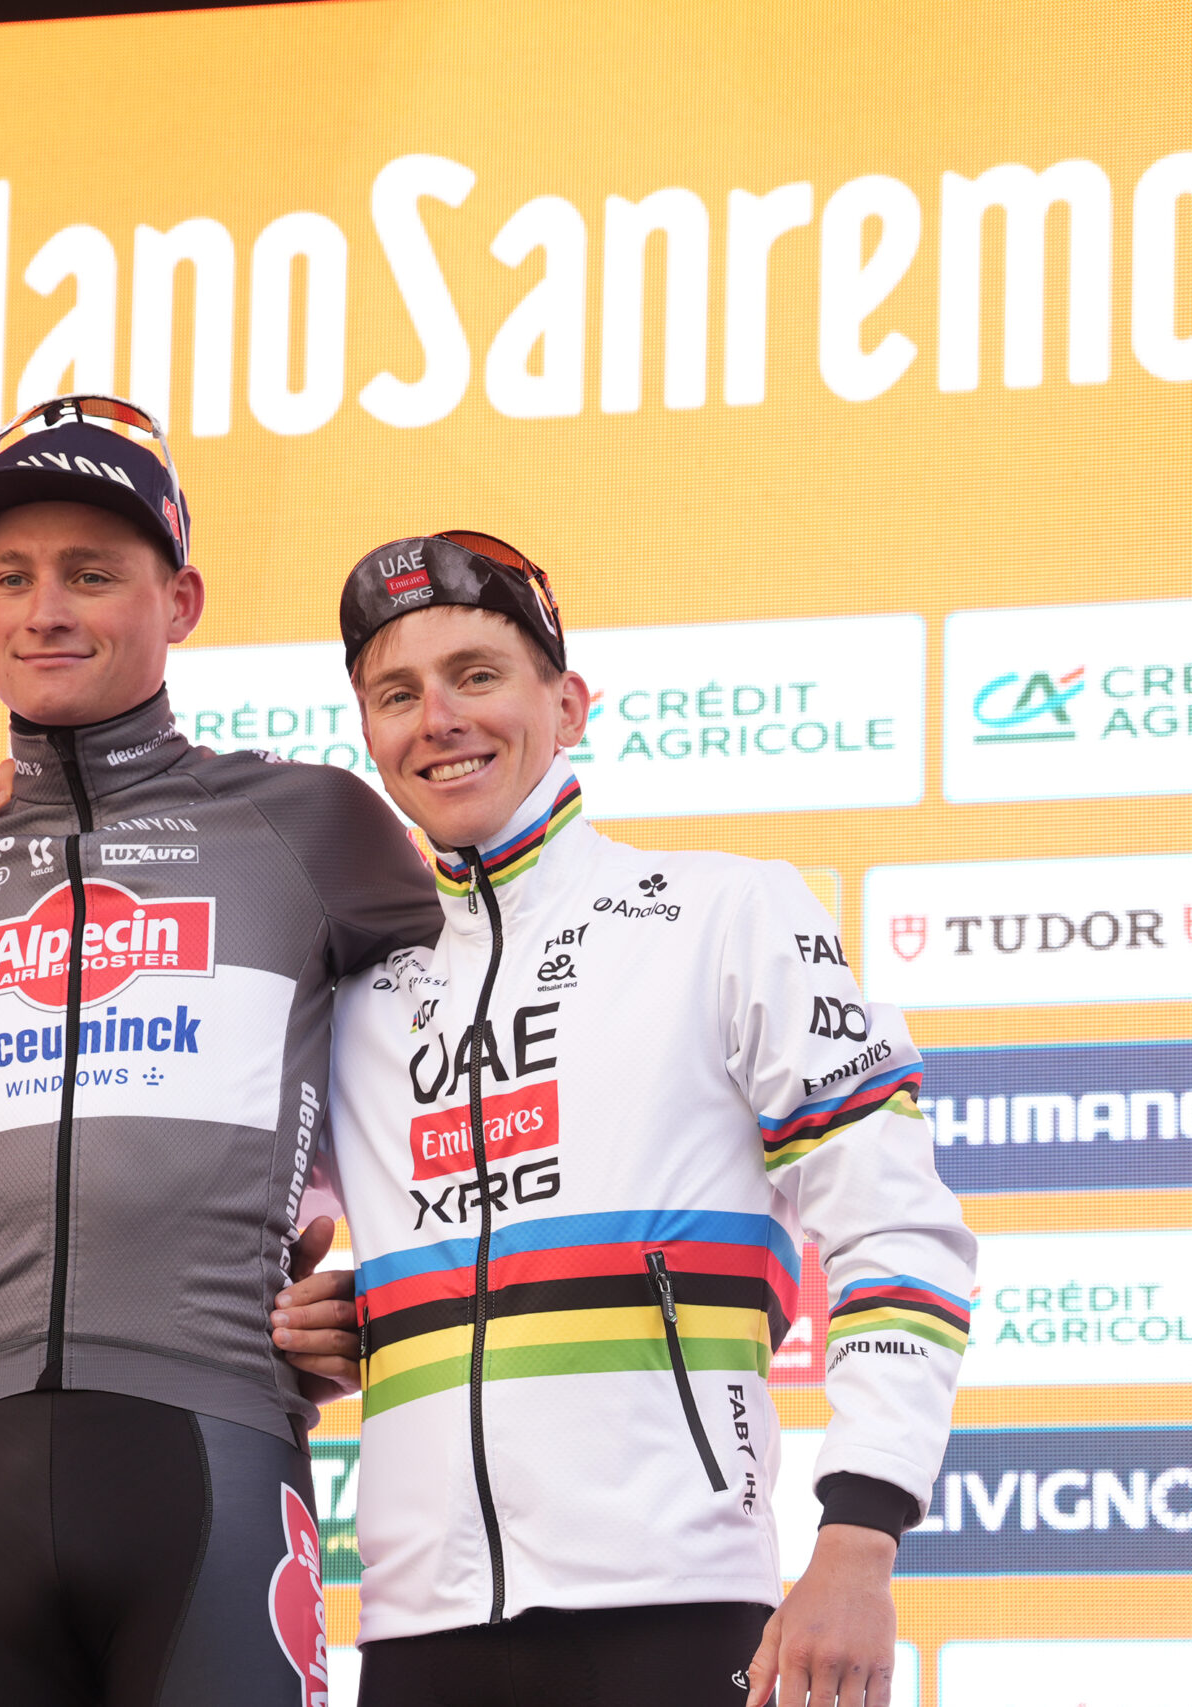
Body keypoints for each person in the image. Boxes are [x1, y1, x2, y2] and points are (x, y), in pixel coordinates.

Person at [0, 394, 441, 1707]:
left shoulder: (311, 824)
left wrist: (393, 1283)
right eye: (11, 576)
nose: (44, 609)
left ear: (182, 600)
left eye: (91, 573)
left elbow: (475, 1055)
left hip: (208, 1442)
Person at [324, 532, 978, 1707]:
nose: (439, 720)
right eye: (397, 693)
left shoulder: (724, 912)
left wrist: (858, 1538)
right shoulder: (354, 998)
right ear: (369, 733)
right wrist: (307, 1326)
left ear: (566, 705)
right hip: (416, 1626)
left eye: (476, 675)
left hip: (677, 1606)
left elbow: (899, 1235)